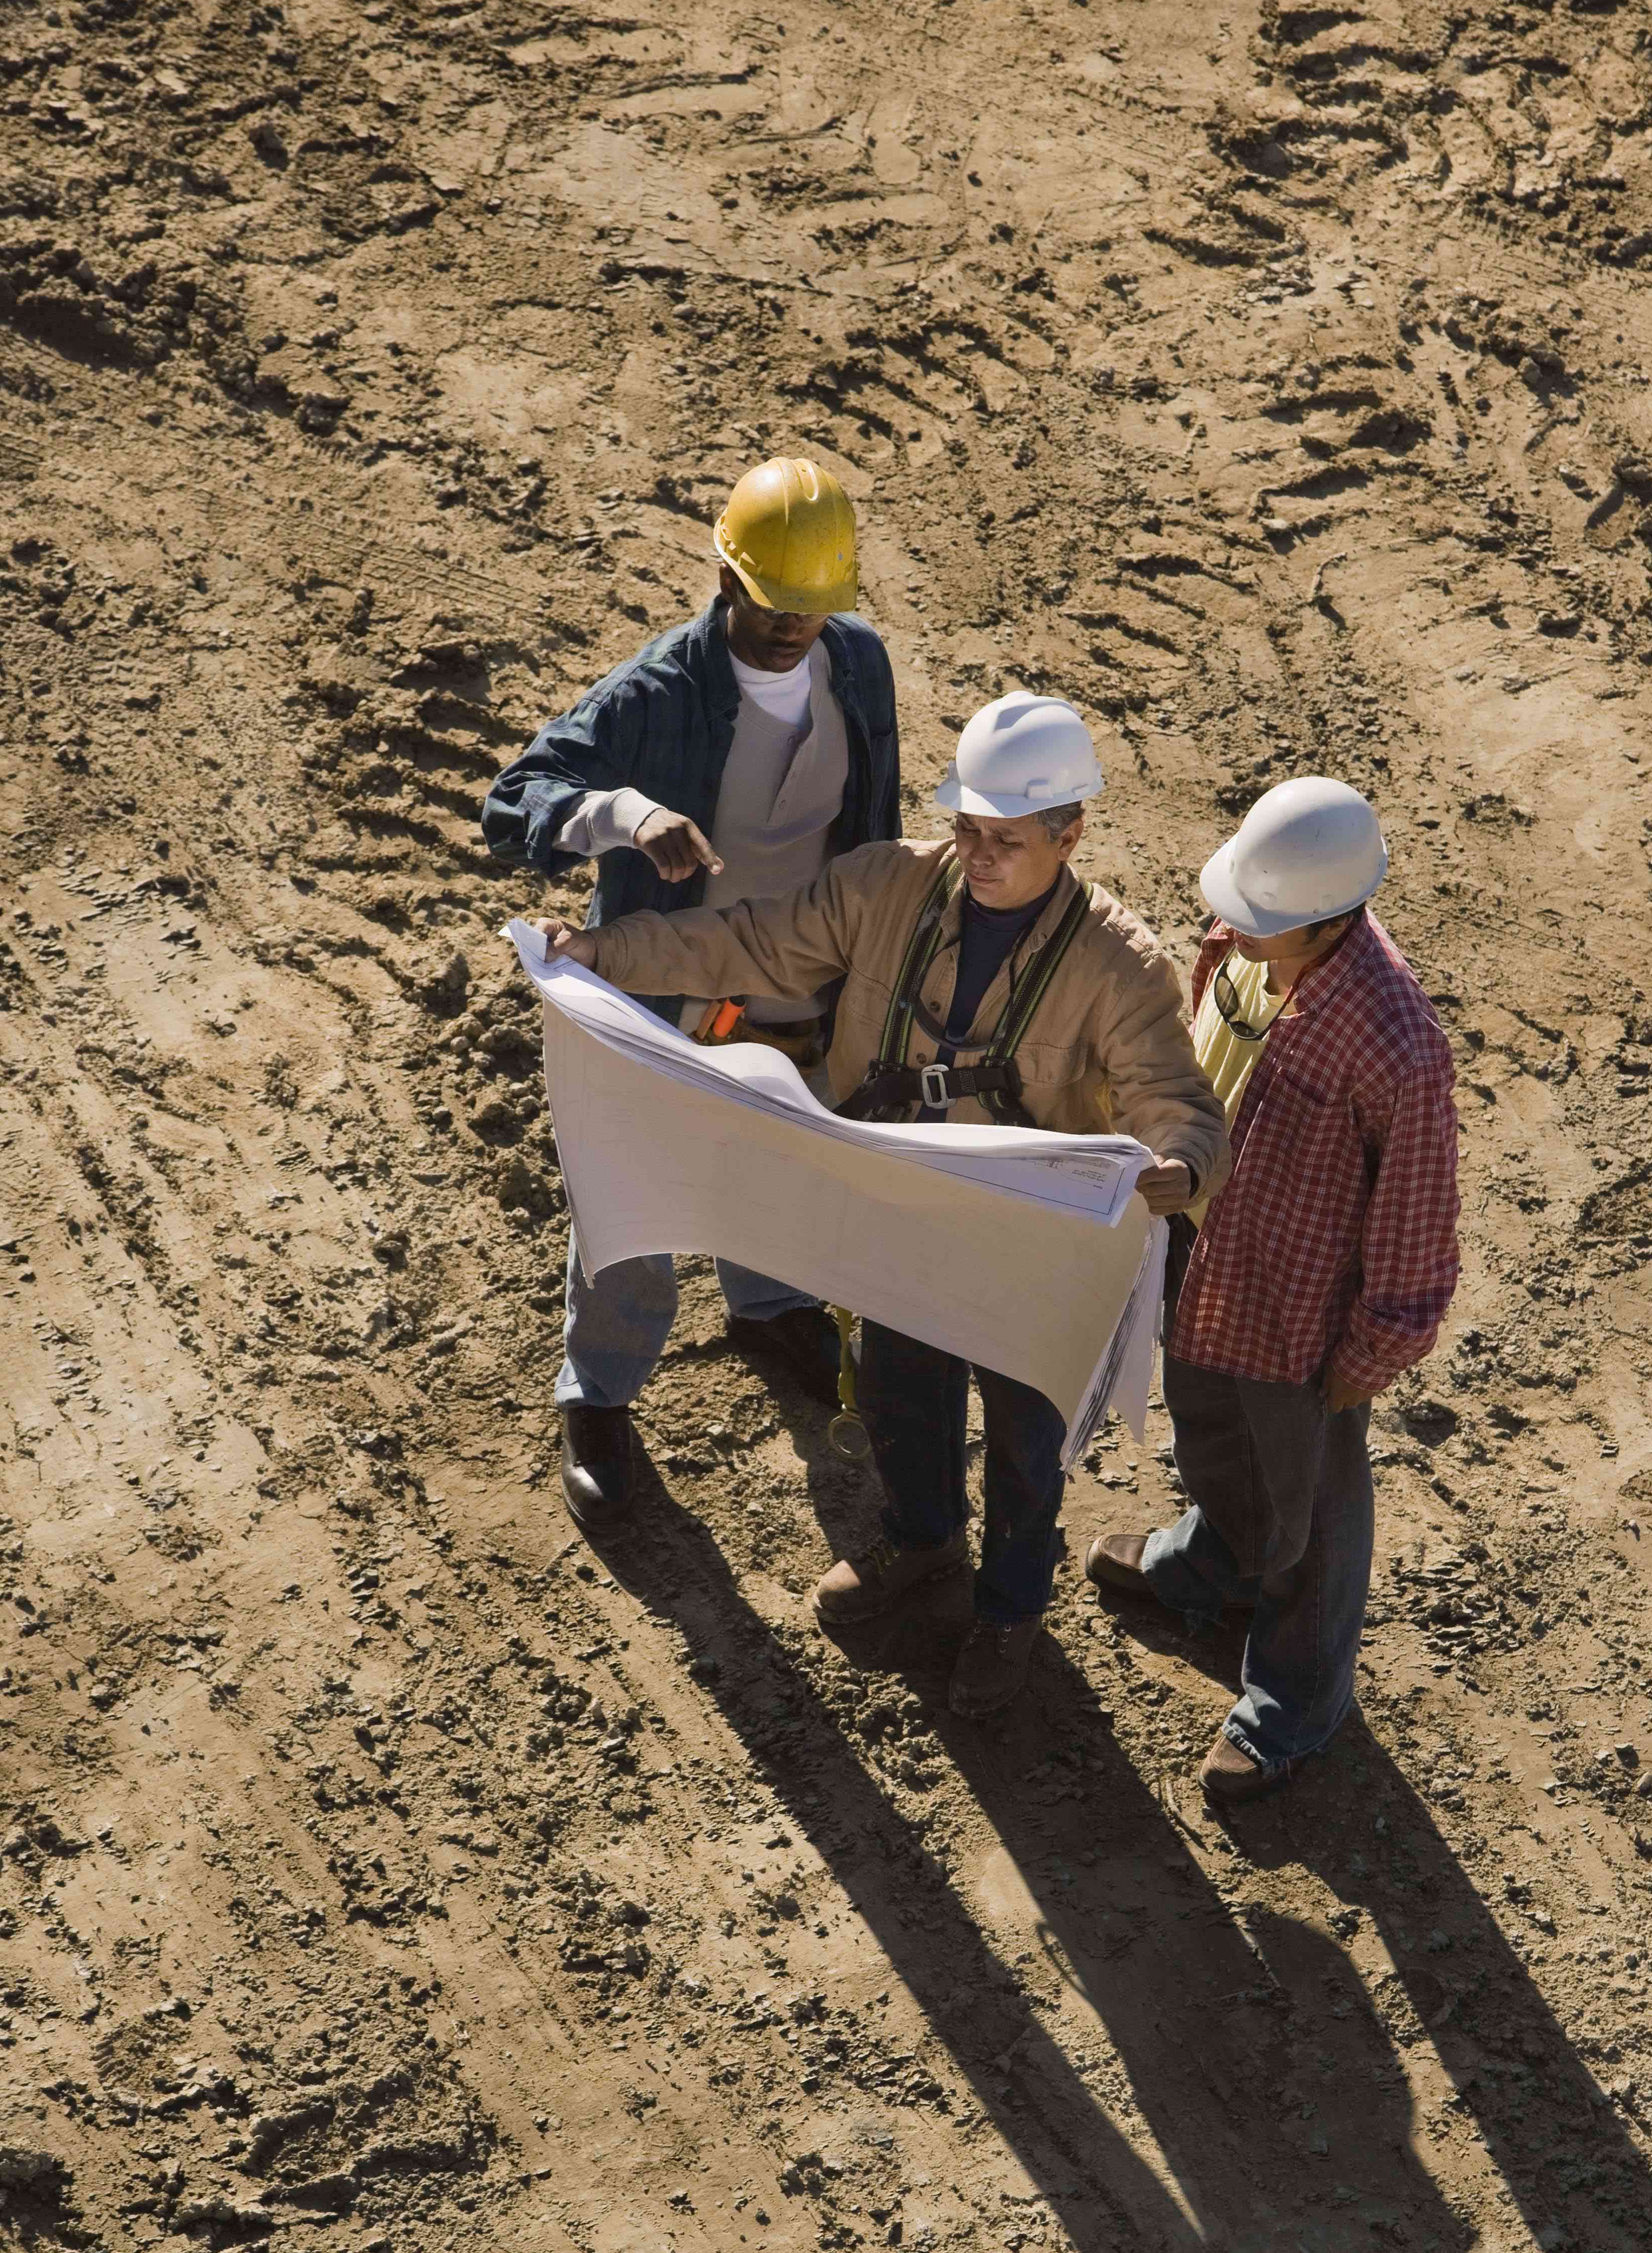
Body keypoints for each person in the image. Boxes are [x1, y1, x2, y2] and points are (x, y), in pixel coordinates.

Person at [532, 692, 1228, 1718]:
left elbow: (1175, 1101)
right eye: (968, 830)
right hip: (898, 1209)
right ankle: (921, 1542)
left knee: (1028, 1436)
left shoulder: (1117, 968)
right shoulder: (884, 888)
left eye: (1007, 839)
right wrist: (606, 954)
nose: (979, 855)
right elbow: (745, 944)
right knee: (896, 1379)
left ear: (1068, 833)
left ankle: (1008, 1611)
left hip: (1024, 1243)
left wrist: (1177, 1169)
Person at [482, 455, 900, 1532]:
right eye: (769, 605)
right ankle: (600, 1394)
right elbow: (514, 799)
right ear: (724, 576)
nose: (788, 630)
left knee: (776, 1140)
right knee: (635, 1186)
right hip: (665, 986)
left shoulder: (856, 664)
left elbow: (873, 829)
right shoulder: (659, 690)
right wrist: (621, 816)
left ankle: (767, 1306)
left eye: (809, 611)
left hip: (795, 974)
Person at [1084, 776, 1460, 1803]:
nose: (1235, 929)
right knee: (1208, 1434)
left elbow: (1417, 1225)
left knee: (1313, 1517)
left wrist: (1368, 1354)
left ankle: (1294, 1701)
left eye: (1262, 921)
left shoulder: (1396, 1046)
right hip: (1204, 1260)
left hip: (1301, 1323)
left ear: (1333, 917)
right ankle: (1209, 1567)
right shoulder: (1254, 940)